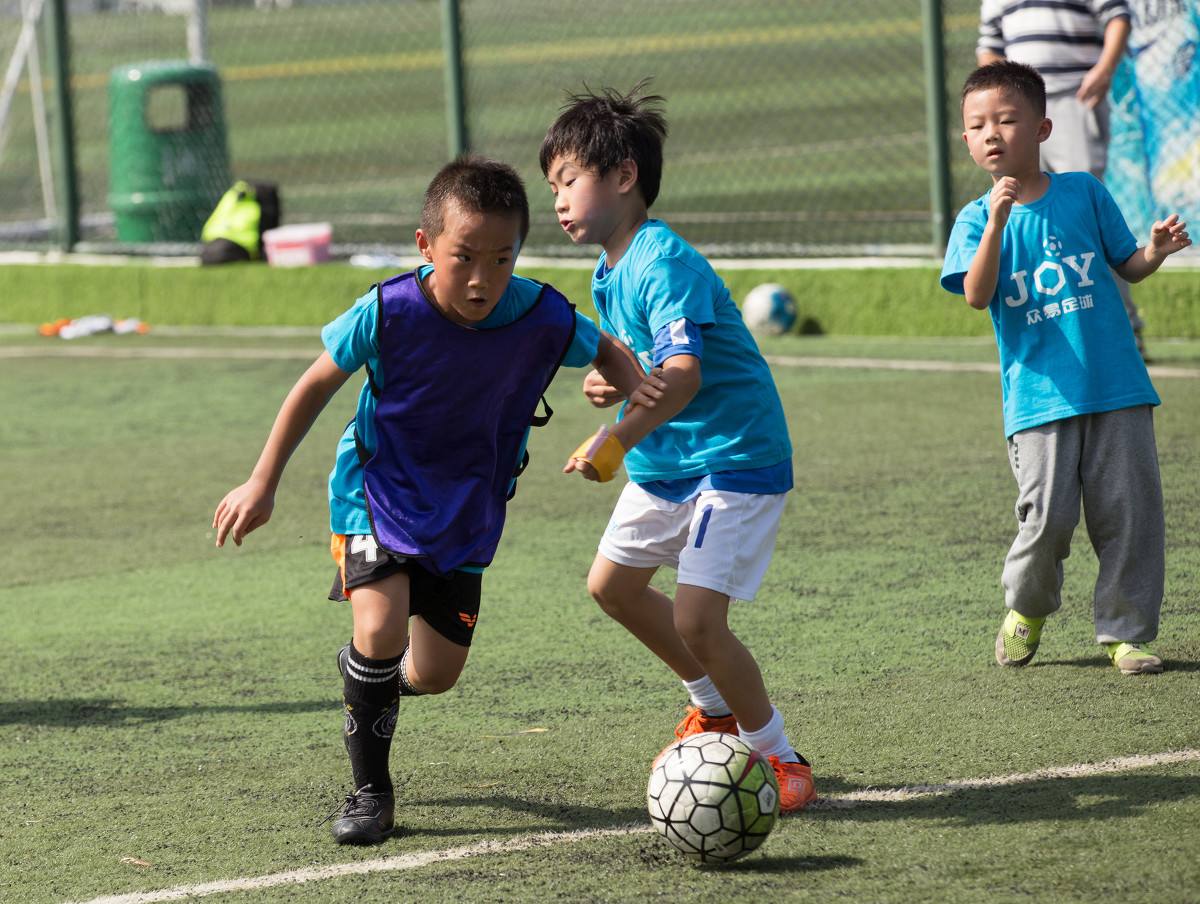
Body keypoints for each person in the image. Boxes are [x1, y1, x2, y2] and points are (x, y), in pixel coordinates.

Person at [212, 156, 653, 844]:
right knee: (384, 627)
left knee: (437, 674)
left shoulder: (541, 316)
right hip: (375, 494)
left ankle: (368, 673)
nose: (482, 279)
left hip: (466, 514)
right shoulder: (388, 311)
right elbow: (313, 387)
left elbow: (612, 355)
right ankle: (370, 792)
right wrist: (261, 482)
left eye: (501, 259)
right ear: (426, 247)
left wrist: (619, 398)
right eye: (463, 257)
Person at [539, 83, 817, 813]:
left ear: (623, 176)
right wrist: (618, 385)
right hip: (671, 461)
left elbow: (685, 374)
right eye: (553, 188)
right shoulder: (610, 268)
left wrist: (616, 437)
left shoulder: (661, 258)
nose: (559, 201)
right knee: (613, 587)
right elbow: (652, 361)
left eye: (569, 181)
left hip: (732, 456)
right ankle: (712, 702)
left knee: (698, 617)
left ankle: (779, 756)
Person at [940, 61, 1190, 675]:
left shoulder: (1084, 191)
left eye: (1007, 118)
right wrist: (997, 223)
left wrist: (1154, 251)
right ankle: (1028, 607)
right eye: (978, 125)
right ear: (967, 142)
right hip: (1039, 400)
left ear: (1043, 128)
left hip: (1117, 388)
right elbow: (977, 293)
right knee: (1047, 519)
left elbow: (1127, 265)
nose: (992, 132)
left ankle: (1125, 633)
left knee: (1130, 512)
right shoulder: (975, 219)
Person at [976, 0, 1149, 356]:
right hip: (1012, 115)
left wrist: (1104, 70)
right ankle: (1053, 329)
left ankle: (1122, 331)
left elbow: (1117, 17)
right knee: (1026, 220)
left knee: (1085, 221)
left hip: (1074, 98)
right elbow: (989, 46)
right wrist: (997, 110)